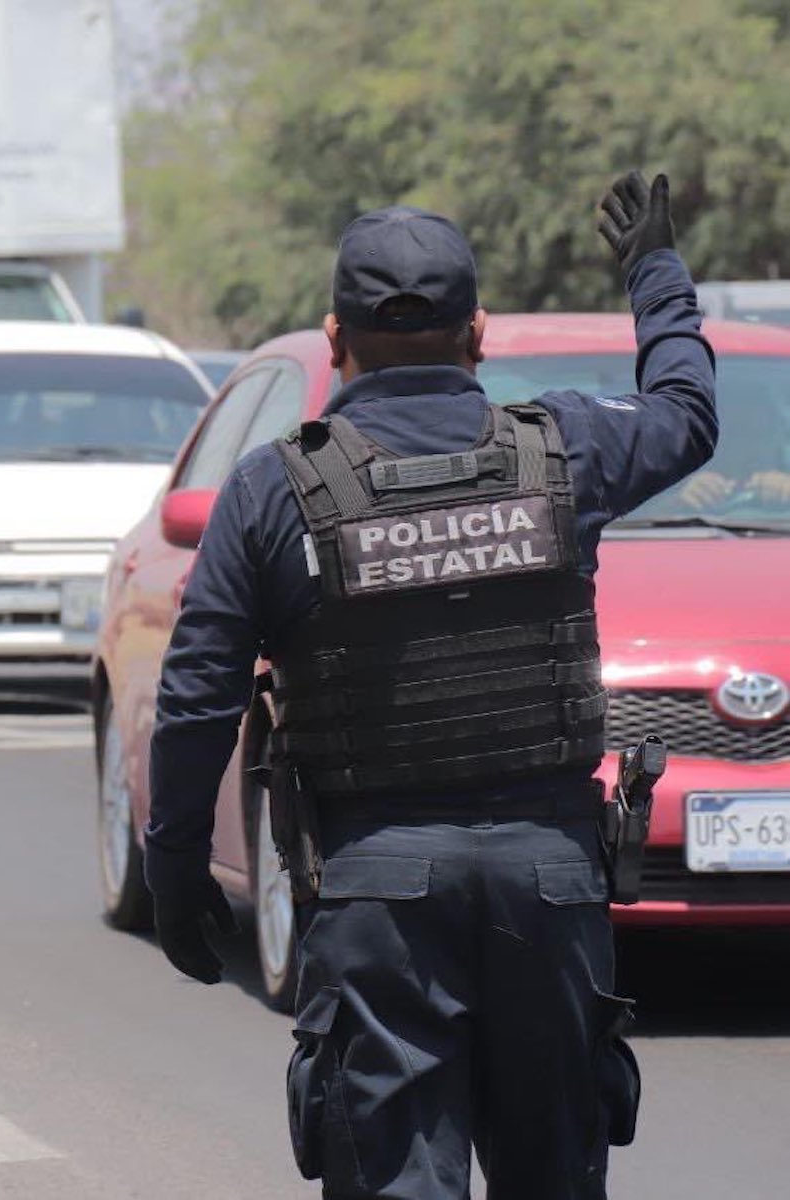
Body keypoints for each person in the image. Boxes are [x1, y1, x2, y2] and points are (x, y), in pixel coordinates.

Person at [143, 171, 716, 1199]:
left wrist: (175, 870)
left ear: (333, 338)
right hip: (550, 881)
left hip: (376, 892)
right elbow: (685, 413)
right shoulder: (565, 448)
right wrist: (654, 274)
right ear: (479, 332)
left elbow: (197, 695)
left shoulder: (275, 488)